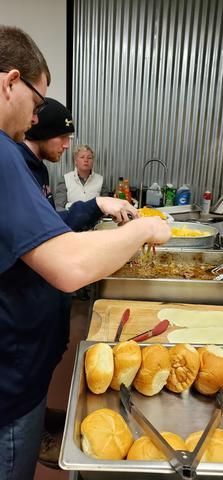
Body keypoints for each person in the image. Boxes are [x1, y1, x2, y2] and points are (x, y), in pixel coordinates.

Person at [0, 24, 171, 480]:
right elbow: (70, 264)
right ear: (10, 82)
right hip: (10, 381)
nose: (36, 118)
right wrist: (147, 230)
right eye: (37, 103)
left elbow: (47, 236)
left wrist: (97, 204)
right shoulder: (3, 153)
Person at [17, 97, 115, 468]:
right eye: (61, 136)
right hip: (25, 312)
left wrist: (98, 205)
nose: (68, 146)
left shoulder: (38, 169)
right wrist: (97, 209)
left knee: (48, 359)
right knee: (28, 378)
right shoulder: (18, 170)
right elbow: (54, 232)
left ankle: (41, 416)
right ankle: (33, 432)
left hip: (47, 304)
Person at [55, 143, 109, 209]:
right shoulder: (65, 180)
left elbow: (106, 207)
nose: (86, 160)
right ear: (75, 161)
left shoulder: (100, 180)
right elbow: (59, 207)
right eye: (82, 157)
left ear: (93, 161)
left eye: (89, 158)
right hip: (71, 218)